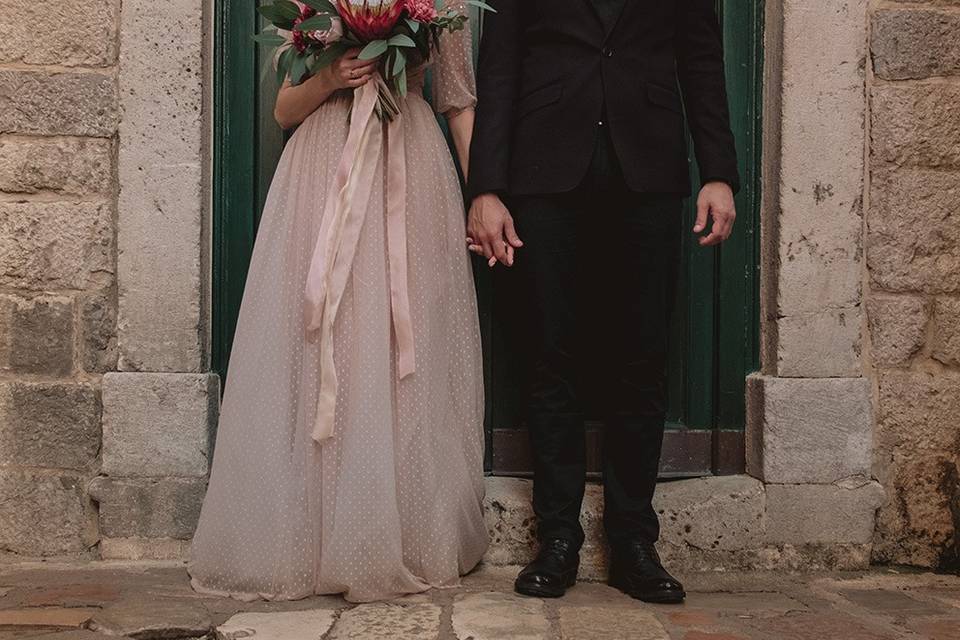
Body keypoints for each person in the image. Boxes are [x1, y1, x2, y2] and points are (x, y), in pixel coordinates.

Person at [189, 0, 488, 603]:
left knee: (407, 337)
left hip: (410, 162)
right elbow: (283, 109)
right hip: (325, 172)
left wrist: (481, 194)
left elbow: (457, 101)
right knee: (329, 334)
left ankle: (397, 528)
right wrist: (330, 77)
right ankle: (316, 533)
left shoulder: (444, 8)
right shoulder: (312, 9)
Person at [466, 0, 740, 603]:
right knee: (549, 356)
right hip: (542, 174)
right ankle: (557, 539)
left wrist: (718, 170)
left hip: (649, 176)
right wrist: (486, 187)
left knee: (642, 360)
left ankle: (634, 542)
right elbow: (501, 67)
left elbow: (700, 60)